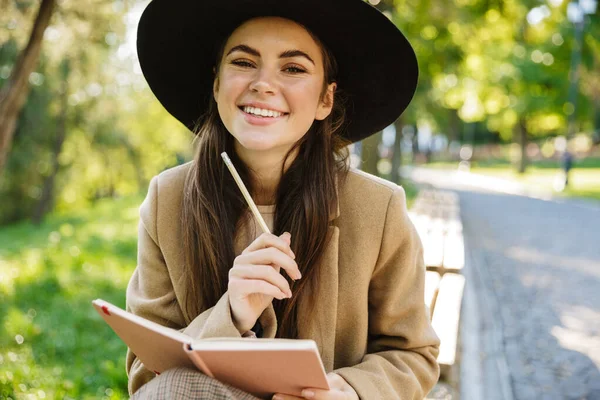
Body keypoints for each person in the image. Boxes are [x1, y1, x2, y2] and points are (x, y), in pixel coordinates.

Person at [126, 0, 440, 398]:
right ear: (216, 83)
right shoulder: (166, 200)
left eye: (293, 68)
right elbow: (145, 373)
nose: (263, 84)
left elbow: (412, 353)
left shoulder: (378, 208)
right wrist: (233, 313)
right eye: (243, 63)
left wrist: (350, 390)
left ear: (326, 99)